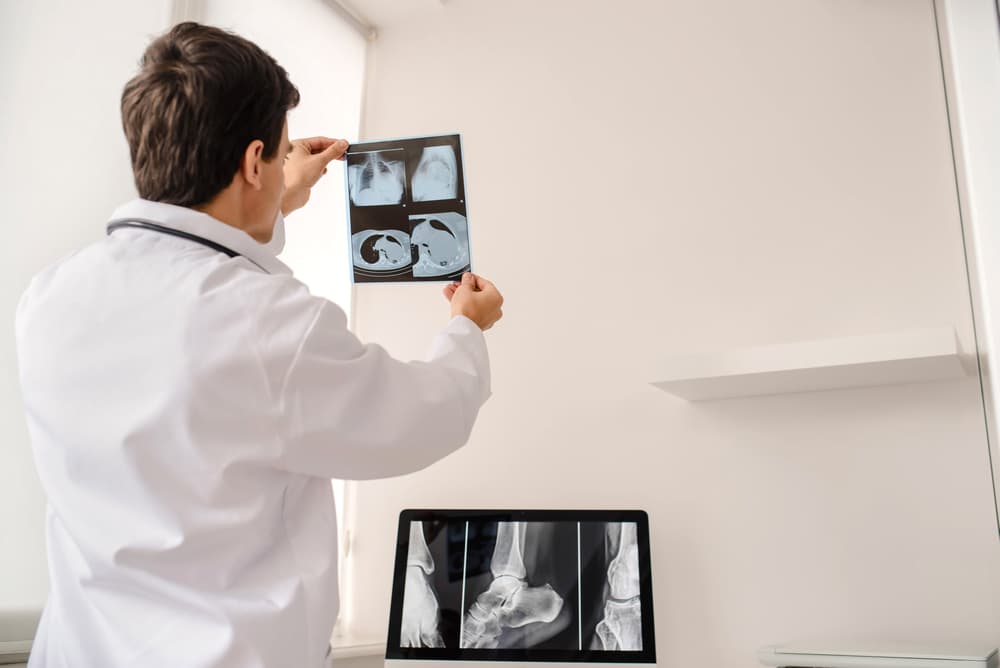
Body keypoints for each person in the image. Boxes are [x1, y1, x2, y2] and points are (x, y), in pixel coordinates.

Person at [14, 21, 503, 668]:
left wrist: (276, 195)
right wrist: (467, 326)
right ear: (251, 163)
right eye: (273, 156)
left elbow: (196, 274)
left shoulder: (49, 295)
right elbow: (424, 416)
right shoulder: (271, 323)